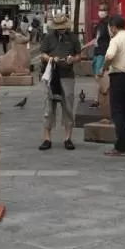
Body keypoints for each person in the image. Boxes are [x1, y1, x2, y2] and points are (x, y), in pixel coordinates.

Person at [37, 12, 81, 151]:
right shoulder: (48, 37)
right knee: (48, 107)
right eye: (59, 27)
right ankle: (46, 138)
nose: (61, 29)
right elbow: (42, 54)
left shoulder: (73, 38)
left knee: (67, 105)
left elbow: (79, 55)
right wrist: (50, 58)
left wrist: (72, 59)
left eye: (63, 27)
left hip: (67, 75)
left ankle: (68, 138)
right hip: (50, 75)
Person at [102, 14, 125, 157]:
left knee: (117, 112)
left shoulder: (115, 40)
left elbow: (109, 56)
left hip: (118, 77)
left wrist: (104, 67)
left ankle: (121, 146)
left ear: (113, 27)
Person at [84, 3, 112, 108]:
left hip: (103, 52)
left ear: (107, 11)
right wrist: (85, 46)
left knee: (99, 76)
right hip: (97, 51)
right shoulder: (99, 24)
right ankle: (98, 98)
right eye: (100, 9)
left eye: (103, 9)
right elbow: (95, 39)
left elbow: (112, 37)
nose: (101, 11)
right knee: (97, 76)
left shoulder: (109, 23)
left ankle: (99, 99)